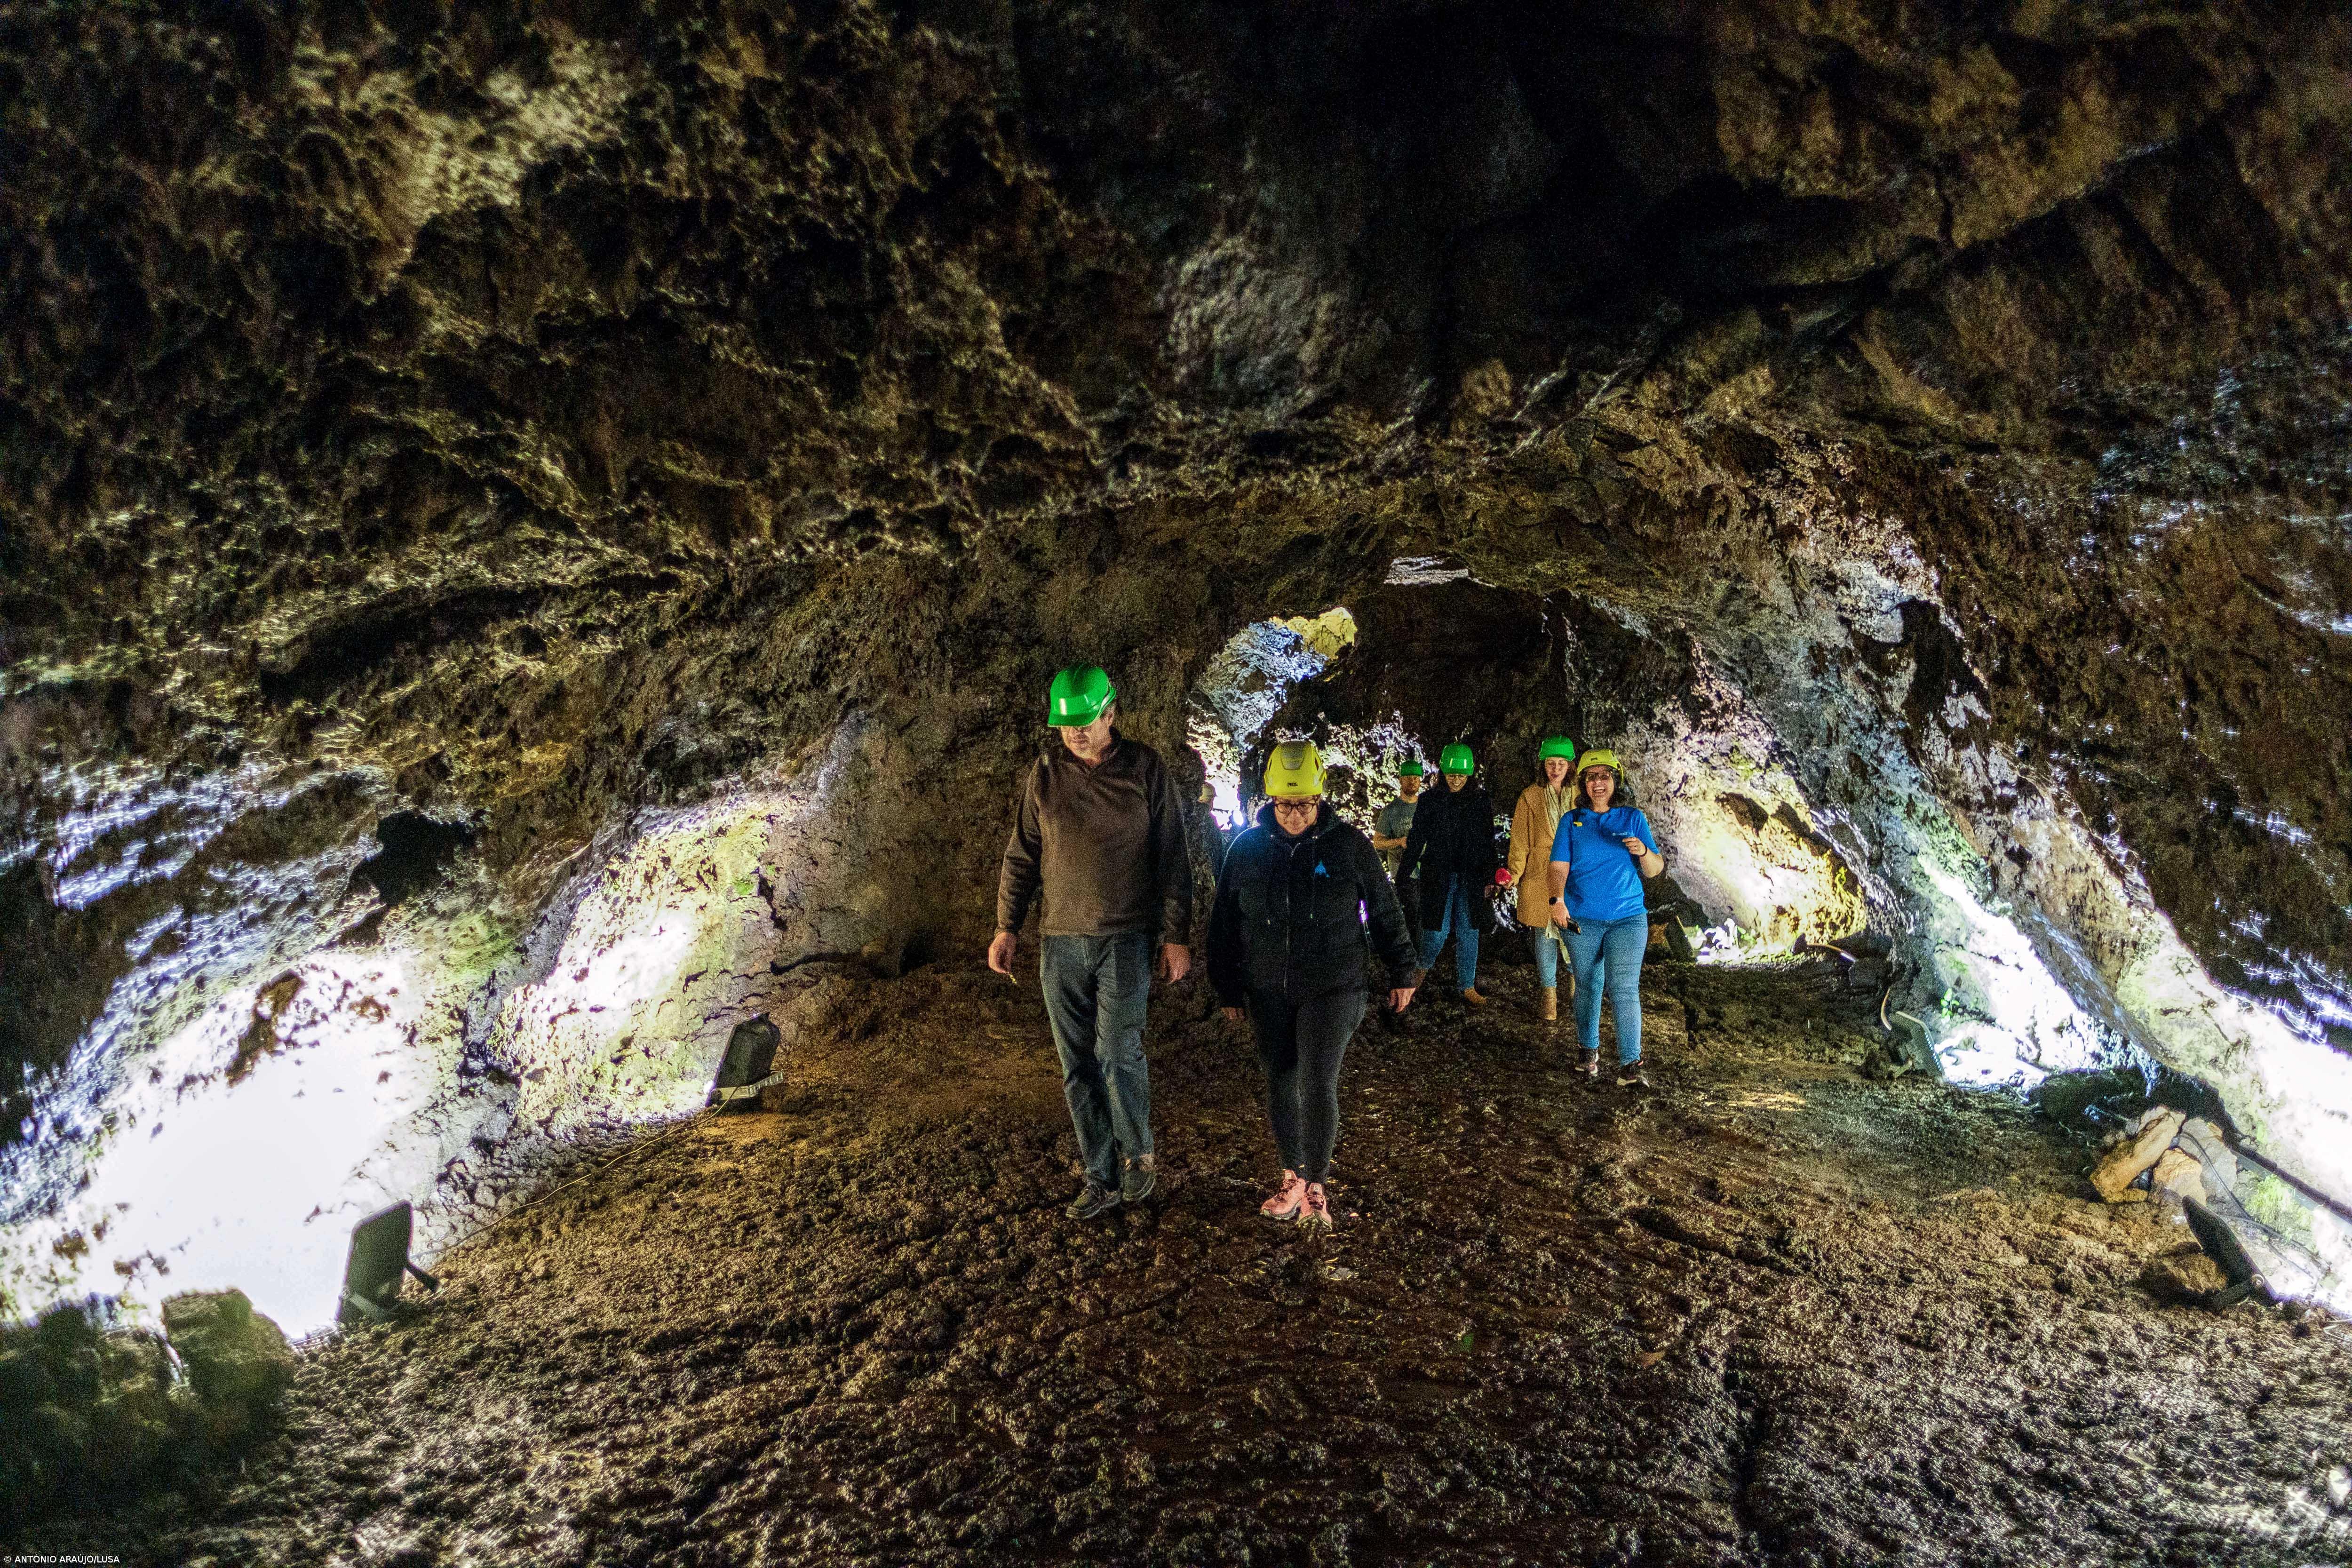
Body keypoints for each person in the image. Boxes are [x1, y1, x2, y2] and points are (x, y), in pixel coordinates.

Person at [992, 666, 1194, 1219]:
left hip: (1125, 939)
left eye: (1085, 722)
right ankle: (1099, 1174)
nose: (1075, 733)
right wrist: (1006, 926)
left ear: (1110, 714)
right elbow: (1023, 853)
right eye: (1067, 725)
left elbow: (1172, 858)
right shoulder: (1045, 774)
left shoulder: (1145, 769)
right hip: (1060, 942)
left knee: (1117, 1053)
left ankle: (1138, 1157)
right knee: (1076, 1063)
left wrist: (1175, 937)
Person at [1207, 741, 1417, 1229]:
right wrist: (1227, 988)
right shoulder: (1246, 850)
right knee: (1280, 1076)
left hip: (1335, 985)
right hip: (1267, 987)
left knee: (1317, 1077)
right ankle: (1291, 1176)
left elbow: (1384, 909)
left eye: (1304, 804)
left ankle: (1316, 1185)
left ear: (1319, 799)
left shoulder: (1346, 846)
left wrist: (1402, 971)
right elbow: (1223, 924)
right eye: (1286, 805)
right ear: (1270, 801)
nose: (1296, 815)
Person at [1545, 748, 1664, 1085]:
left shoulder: (1632, 818)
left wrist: (1642, 851)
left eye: (1605, 776)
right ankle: (1588, 1052)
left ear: (1615, 781)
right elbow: (1557, 867)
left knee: (1624, 987)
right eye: (1592, 777)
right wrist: (1556, 900)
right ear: (1583, 783)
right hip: (1582, 918)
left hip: (1628, 917)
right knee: (1588, 985)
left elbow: (1655, 869)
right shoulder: (1572, 821)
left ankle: (1631, 1066)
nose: (1599, 783)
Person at [1398, 742, 1498, 1006]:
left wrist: (1491, 878)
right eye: (1452, 775)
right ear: (1443, 773)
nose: (1456, 780)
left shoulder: (1480, 801)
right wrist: (1403, 874)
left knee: (1469, 929)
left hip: (1472, 877)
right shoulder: (1430, 801)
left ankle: (1467, 985)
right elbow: (1416, 838)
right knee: (1435, 931)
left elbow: (1488, 842)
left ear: (1470, 775)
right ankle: (1417, 976)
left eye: (1461, 776)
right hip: (1439, 875)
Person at [1502, 736, 1577, 1023]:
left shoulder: (1581, 795)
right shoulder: (1530, 797)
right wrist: (1514, 873)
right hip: (1540, 874)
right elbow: (1520, 841)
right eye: (1550, 763)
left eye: (1561, 763)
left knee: (1575, 932)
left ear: (1570, 765)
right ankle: (1549, 996)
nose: (1555, 769)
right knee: (1544, 937)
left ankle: (1576, 984)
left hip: (1575, 874)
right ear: (1543, 765)